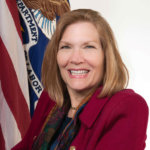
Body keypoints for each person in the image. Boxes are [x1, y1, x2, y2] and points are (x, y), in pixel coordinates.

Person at [12, 9, 149, 150]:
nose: (76, 59)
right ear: (56, 55)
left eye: (89, 47)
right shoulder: (50, 99)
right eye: (66, 47)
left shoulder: (128, 106)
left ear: (106, 56)